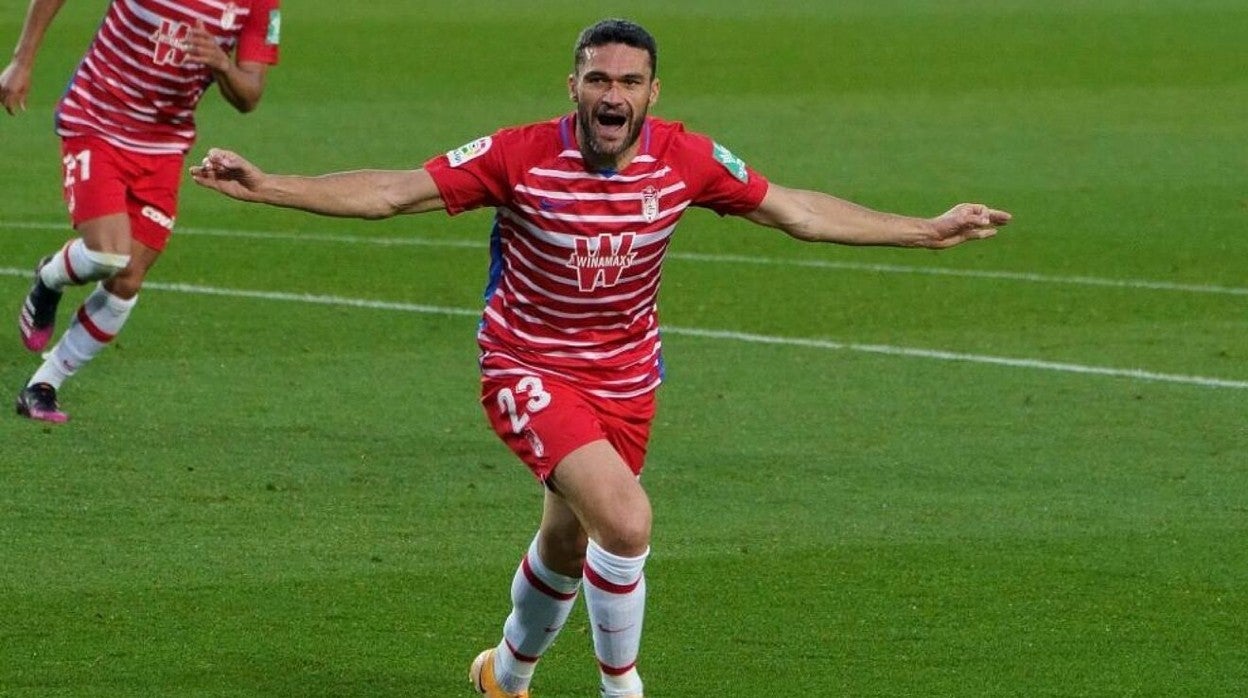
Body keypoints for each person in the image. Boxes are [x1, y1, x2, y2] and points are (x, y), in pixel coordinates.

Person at [190, 18, 1010, 698]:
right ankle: (623, 691)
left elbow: (794, 209)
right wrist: (269, 185)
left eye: (627, 82)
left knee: (571, 542)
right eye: (597, 79)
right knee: (626, 518)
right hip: (526, 368)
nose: (610, 95)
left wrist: (924, 230)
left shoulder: (686, 158)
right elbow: (392, 192)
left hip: (627, 381)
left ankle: (503, 675)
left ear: (653, 94)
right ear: (572, 87)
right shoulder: (518, 155)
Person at [3, 0, 281, 423]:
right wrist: (21, 62)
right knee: (107, 254)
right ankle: (50, 277)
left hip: (164, 147)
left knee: (127, 279)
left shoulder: (260, 4)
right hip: (98, 120)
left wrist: (222, 63)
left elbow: (250, 95)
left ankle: (44, 385)